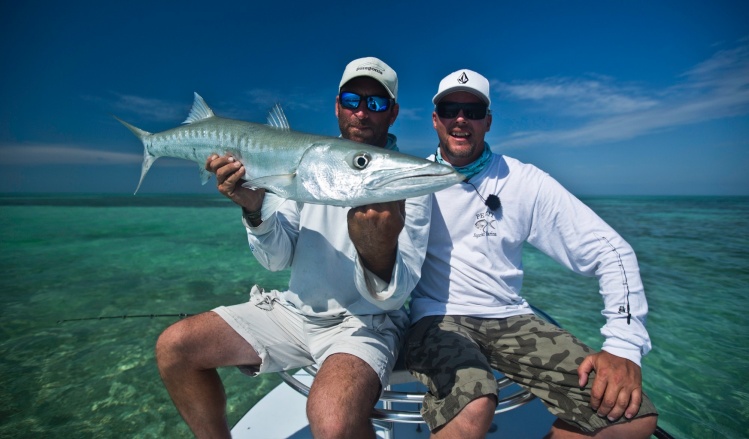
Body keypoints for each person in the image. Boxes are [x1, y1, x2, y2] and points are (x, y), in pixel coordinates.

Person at [155, 57, 432, 439]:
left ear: (394, 112)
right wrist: (254, 210)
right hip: (294, 312)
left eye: (377, 103)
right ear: (337, 106)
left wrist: (376, 247)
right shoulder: (310, 162)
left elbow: (393, 297)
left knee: (332, 422)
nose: (362, 113)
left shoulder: (408, 181)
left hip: (364, 324)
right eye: (353, 99)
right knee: (175, 348)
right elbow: (276, 260)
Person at [405, 69, 659, 438]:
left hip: (512, 317)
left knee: (632, 418)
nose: (461, 119)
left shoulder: (524, 180)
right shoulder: (409, 178)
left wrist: (623, 344)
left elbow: (611, 250)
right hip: (437, 316)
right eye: (450, 109)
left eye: (473, 112)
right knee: (474, 405)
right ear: (435, 119)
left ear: (487, 122)